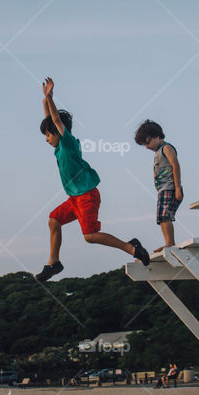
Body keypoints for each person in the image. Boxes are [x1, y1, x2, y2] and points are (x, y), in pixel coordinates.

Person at [36, 77, 150, 281]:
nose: (46, 139)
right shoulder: (59, 146)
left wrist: (50, 99)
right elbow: (50, 120)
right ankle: (54, 263)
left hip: (87, 196)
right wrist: (45, 100)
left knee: (89, 236)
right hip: (74, 198)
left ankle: (131, 248)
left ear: (57, 132)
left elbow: (55, 121)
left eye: (47, 135)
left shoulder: (68, 142)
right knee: (54, 220)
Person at [134, 120, 183, 250]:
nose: (146, 146)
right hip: (163, 189)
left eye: (147, 142)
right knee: (161, 217)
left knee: (165, 215)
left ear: (157, 136)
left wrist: (178, 188)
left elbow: (175, 165)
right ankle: (168, 242)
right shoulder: (158, 152)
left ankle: (170, 243)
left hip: (170, 188)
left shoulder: (166, 148)